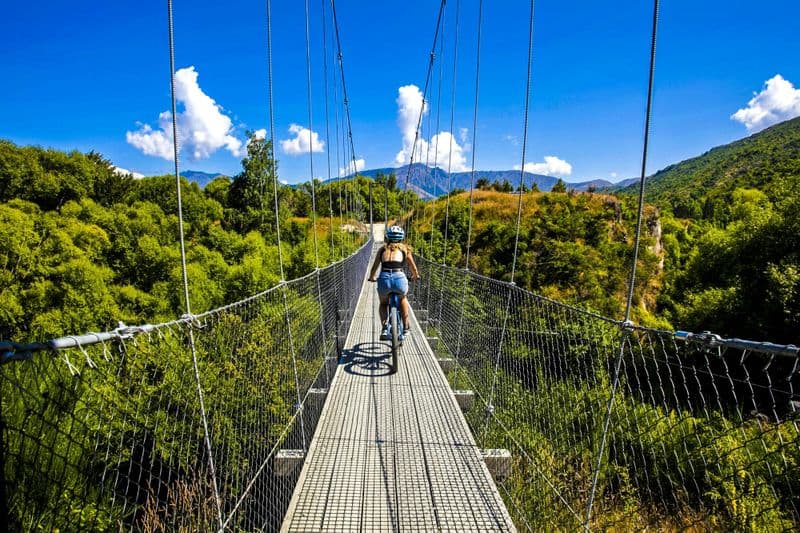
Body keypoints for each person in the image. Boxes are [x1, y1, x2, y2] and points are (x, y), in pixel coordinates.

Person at [368, 225, 420, 341]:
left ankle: (384, 328)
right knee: (402, 298)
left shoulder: (382, 249)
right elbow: (412, 266)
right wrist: (416, 275)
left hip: (384, 279)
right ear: (402, 237)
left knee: (383, 303)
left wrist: (372, 277)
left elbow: (375, 267)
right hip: (399, 278)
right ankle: (406, 326)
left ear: (388, 237)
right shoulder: (405, 249)